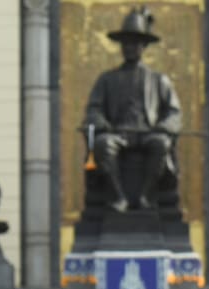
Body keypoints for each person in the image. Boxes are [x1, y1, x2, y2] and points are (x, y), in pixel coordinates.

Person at [84, 6, 181, 212]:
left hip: (147, 135)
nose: (129, 47)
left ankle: (146, 196)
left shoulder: (158, 80)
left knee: (161, 144)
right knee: (102, 144)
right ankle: (119, 197)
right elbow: (93, 110)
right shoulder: (107, 80)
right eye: (126, 42)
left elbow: (174, 113)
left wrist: (161, 128)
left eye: (135, 42)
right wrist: (105, 125)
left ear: (144, 45)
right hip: (117, 134)